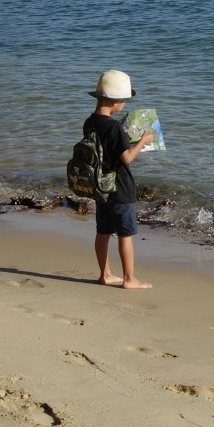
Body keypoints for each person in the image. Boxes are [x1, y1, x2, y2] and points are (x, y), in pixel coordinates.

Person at [84, 69, 156, 290]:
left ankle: (105, 274)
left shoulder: (90, 122)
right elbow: (125, 159)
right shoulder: (114, 127)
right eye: (124, 100)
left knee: (103, 231)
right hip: (120, 187)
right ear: (116, 102)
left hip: (100, 185)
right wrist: (142, 141)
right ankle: (129, 279)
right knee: (126, 234)